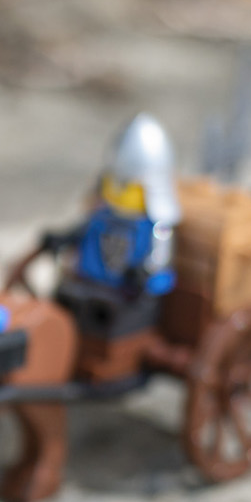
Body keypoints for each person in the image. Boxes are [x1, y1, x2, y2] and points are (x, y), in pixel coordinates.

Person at [40, 112, 181, 341]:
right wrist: (62, 239)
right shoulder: (102, 215)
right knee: (62, 301)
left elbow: (160, 266)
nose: (119, 191)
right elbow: (83, 231)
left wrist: (144, 275)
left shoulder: (156, 227)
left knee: (110, 322)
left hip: (126, 300)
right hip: (89, 286)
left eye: (128, 187)